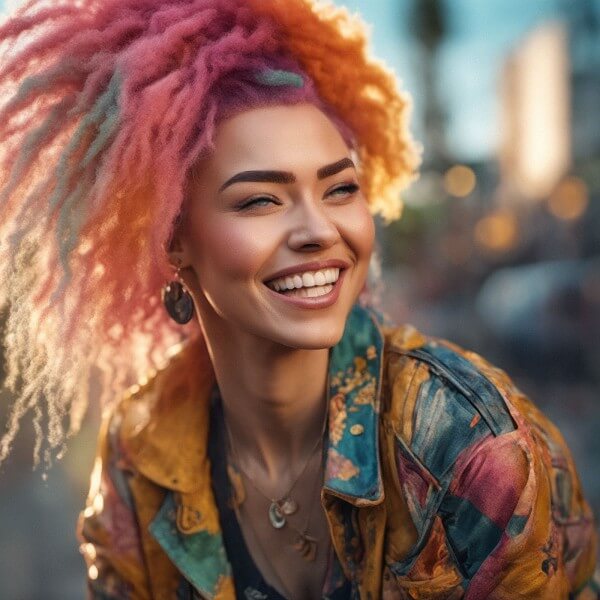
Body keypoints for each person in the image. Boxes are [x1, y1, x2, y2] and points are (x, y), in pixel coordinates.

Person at [0, 0, 596, 598]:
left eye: (340, 189)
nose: (320, 231)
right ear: (172, 238)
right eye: (261, 200)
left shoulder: (463, 444)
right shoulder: (138, 456)